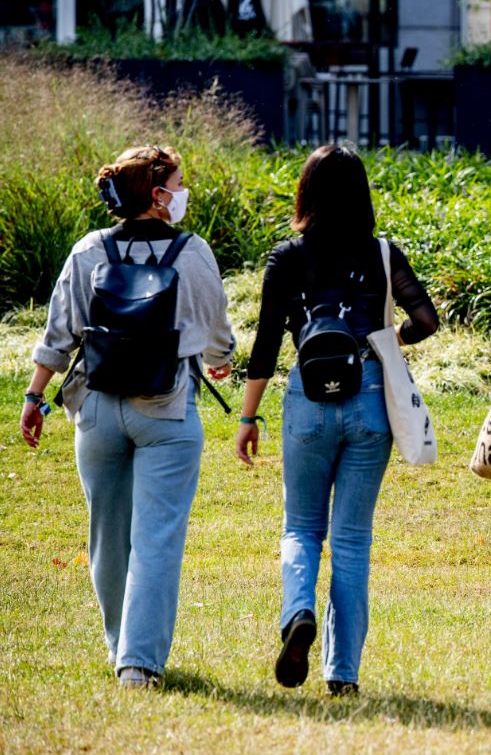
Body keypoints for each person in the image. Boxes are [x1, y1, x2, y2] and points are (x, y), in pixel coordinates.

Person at [21, 145, 235, 689]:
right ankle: (138, 664)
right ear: (158, 196)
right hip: (166, 409)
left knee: (107, 538)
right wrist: (222, 359)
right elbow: (215, 333)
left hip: (96, 407)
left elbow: (59, 332)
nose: (183, 193)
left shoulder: (89, 250)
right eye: (178, 185)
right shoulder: (193, 252)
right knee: (157, 537)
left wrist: (34, 396)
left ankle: (121, 647)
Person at [234, 145, 439, 696]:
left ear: (306, 193)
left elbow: (265, 343)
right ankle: (342, 673)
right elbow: (427, 320)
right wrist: (389, 339)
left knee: (301, 528)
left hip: (307, 395)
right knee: (352, 541)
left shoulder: (287, 256)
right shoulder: (382, 253)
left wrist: (248, 416)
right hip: (369, 396)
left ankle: (298, 611)